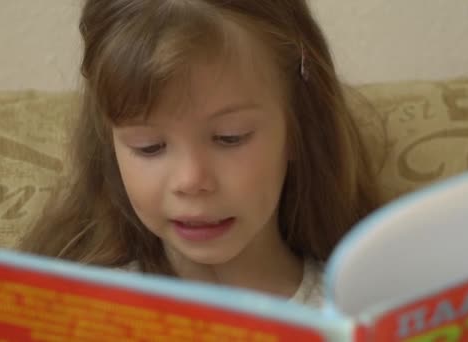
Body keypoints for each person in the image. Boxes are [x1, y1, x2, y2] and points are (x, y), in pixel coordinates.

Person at [19, 0, 380, 307]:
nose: (191, 180)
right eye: (150, 147)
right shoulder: (83, 305)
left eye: (229, 138)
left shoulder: (358, 307)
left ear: (297, 128)